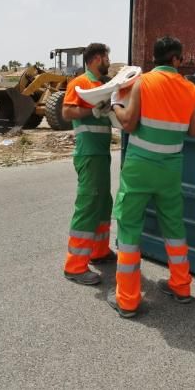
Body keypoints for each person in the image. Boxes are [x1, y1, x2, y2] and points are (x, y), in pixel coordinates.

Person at [107, 36, 195, 317]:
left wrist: (114, 103)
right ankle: (181, 286)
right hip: (171, 168)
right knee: (173, 226)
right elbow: (193, 131)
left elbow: (128, 123)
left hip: (140, 168)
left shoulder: (143, 82)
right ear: (175, 59)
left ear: (155, 59)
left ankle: (127, 299)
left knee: (129, 227)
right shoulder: (191, 90)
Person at [61, 43, 117, 285]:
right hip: (88, 153)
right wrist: (92, 110)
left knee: (103, 202)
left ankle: (98, 251)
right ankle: (75, 266)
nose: (108, 62)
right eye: (107, 57)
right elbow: (66, 112)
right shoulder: (80, 83)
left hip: (101, 152)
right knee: (88, 204)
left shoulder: (102, 85)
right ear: (97, 58)